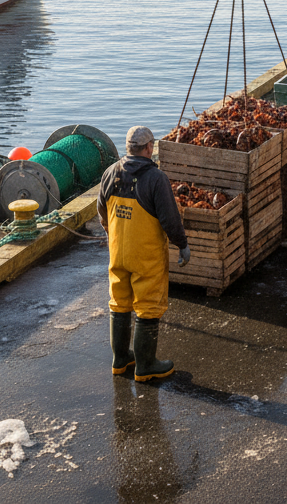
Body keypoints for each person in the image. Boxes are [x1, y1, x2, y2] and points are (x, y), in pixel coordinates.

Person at [97, 127, 189, 383]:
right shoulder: (155, 179)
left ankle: (120, 359)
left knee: (119, 301)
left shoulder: (110, 173)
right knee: (148, 305)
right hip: (145, 255)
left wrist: (111, 233)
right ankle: (146, 365)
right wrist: (182, 244)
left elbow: (101, 209)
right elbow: (170, 219)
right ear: (149, 148)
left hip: (117, 252)